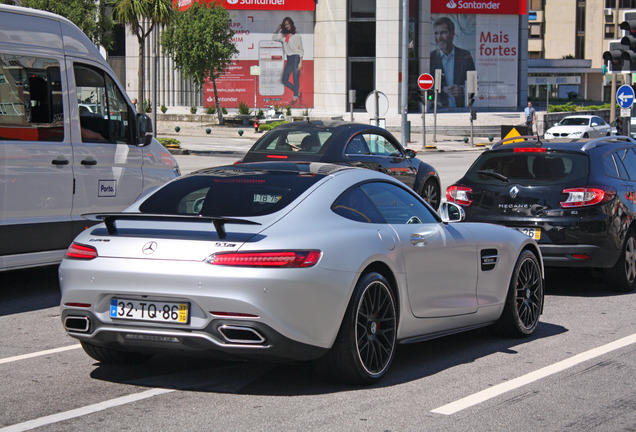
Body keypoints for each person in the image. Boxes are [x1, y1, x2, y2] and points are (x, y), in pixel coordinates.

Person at [430, 16, 475, 108]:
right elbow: (427, 85)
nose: (439, 37)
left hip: (461, 108)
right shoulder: (431, 57)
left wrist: (462, 90)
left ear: (452, 34)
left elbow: (473, 82)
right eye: (436, 33)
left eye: (443, 33)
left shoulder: (465, 55)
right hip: (438, 108)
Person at [273, 17, 303, 105]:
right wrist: (278, 29)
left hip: (296, 57)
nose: (287, 26)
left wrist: (301, 62)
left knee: (295, 78)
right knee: (284, 80)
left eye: (288, 24)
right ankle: (297, 92)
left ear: (291, 24)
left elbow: (300, 49)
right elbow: (274, 38)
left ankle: (295, 97)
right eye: (285, 25)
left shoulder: (297, 35)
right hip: (289, 58)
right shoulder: (283, 36)